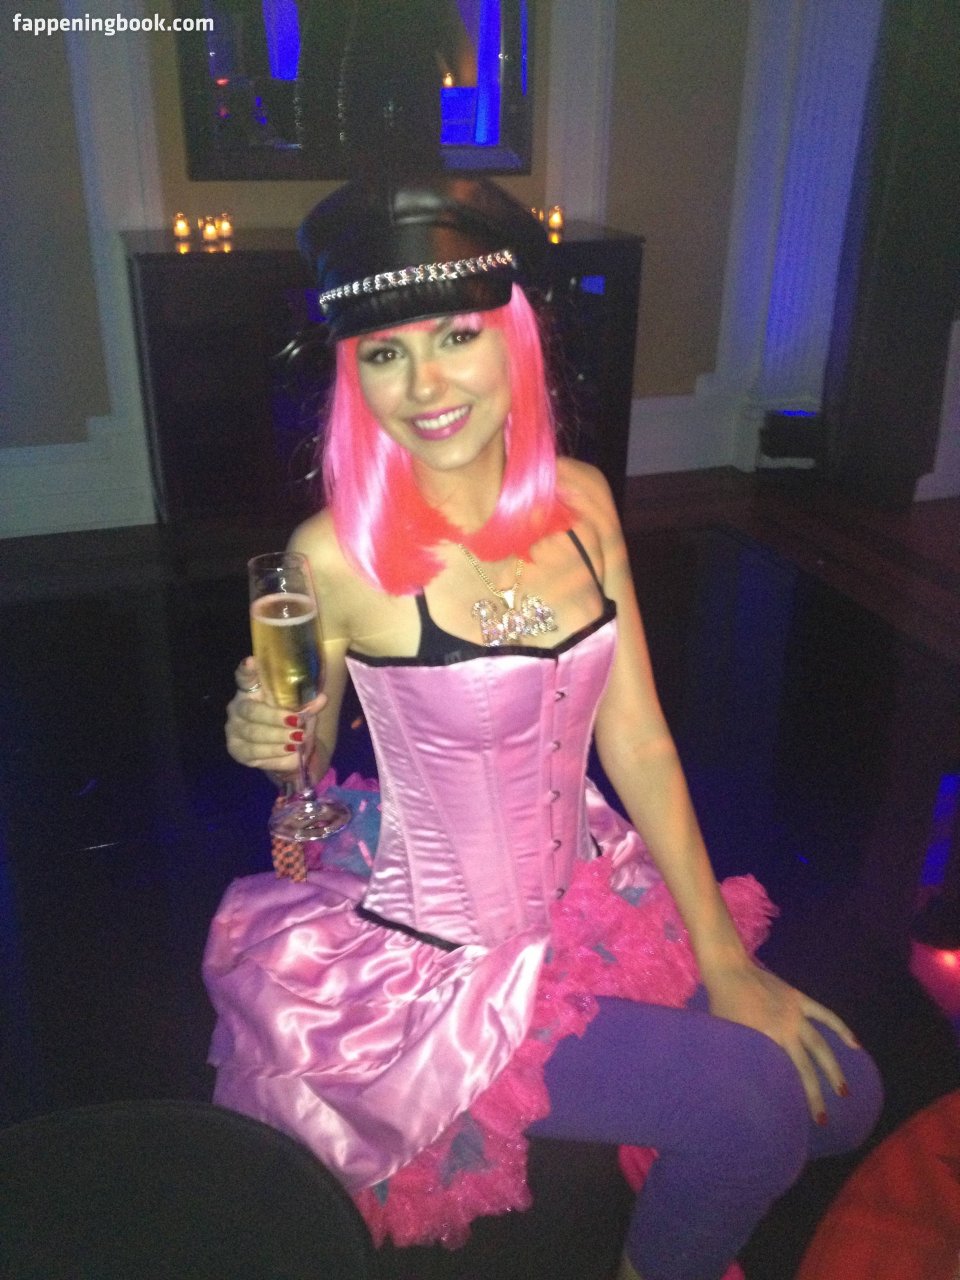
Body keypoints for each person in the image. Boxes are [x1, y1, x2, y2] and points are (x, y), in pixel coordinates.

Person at [208, 177, 882, 1280]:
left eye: (457, 336)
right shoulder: (334, 553)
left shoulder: (584, 503)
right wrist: (272, 733)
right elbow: (308, 751)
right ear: (353, 375)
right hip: (442, 965)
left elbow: (640, 741)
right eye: (385, 354)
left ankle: (674, 1135)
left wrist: (725, 961)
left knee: (845, 1096)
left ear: (513, 336)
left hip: (587, 900)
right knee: (756, 1111)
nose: (425, 385)